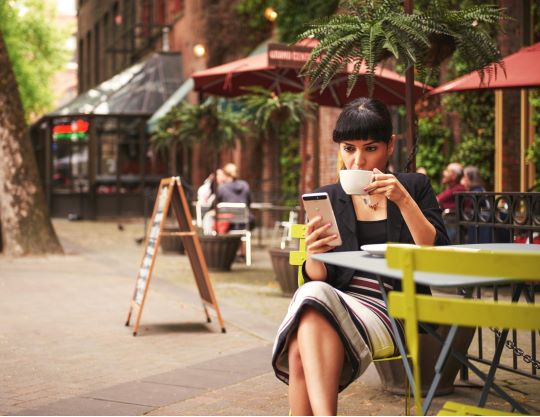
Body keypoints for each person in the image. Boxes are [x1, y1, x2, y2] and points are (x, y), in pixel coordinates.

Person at [271, 97, 450, 416]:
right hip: (337, 301)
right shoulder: (327, 197)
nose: (358, 161)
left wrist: (403, 201)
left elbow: (434, 253)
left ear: (390, 145)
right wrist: (314, 254)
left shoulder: (414, 187)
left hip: (395, 307)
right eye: (348, 149)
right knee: (311, 299)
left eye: (370, 148)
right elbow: (318, 277)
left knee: (303, 331)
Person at [216, 163, 254, 231]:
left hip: (228, 223)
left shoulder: (222, 188)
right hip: (244, 222)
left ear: (225, 174)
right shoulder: (245, 185)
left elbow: (216, 205)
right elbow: (249, 203)